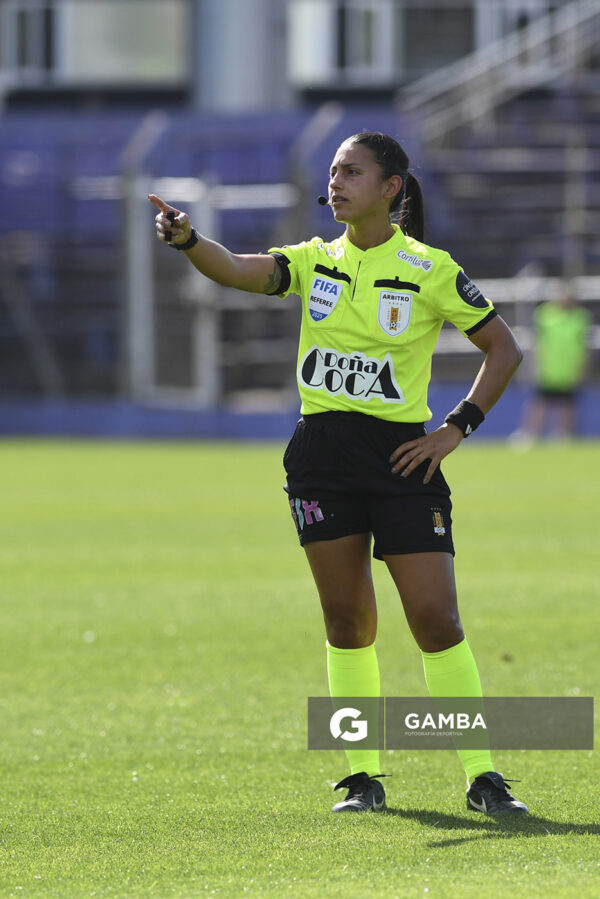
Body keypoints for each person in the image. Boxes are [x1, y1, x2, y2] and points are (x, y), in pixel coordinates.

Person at [149, 131, 527, 816]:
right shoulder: (312, 260)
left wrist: (454, 428)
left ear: (391, 187)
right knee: (347, 620)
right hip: (321, 457)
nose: (336, 182)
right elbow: (235, 267)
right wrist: (186, 239)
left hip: (402, 458)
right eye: (331, 172)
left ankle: (484, 775)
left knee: (437, 619)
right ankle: (362, 777)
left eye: (351, 171)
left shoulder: (430, 267)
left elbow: (502, 347)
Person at [515, 282, 591, 441]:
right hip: (548, 368)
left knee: (567, 404)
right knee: (539, 403)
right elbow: (537, 342)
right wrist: (534, 365)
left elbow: (584, 346)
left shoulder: (580, 318)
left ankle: (563, 435)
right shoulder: (544, 315)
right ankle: (530, 434)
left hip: (569, 369)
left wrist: (582, 369)